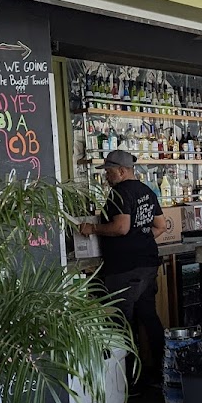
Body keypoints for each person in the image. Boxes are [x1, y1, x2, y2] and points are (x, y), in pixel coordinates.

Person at [79, 150, 166, 383]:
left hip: (124, 269)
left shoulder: (120, 192)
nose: (106, 177)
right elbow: (161, 225)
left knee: (119, 324)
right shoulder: (146, 191)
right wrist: (142, 241)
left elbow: (121, 227)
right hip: (147, 265)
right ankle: (164, 371)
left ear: (121, 170)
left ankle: (126, 383)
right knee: (149, 317)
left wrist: (93, 229)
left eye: (108, 172)